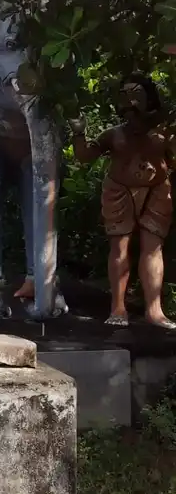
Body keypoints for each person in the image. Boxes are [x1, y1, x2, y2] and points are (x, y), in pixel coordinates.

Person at [69, 72, 176, 329]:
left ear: (149, 98)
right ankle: (118, 307)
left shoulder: (164, 134)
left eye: (136, 94)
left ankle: (154, 309)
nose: (130, 102)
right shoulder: (113, 135)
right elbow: (84, 156)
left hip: (157, 191)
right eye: (125, 95)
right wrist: (78, 133)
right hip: (119, 190)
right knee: (119, 248)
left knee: (153, 248)